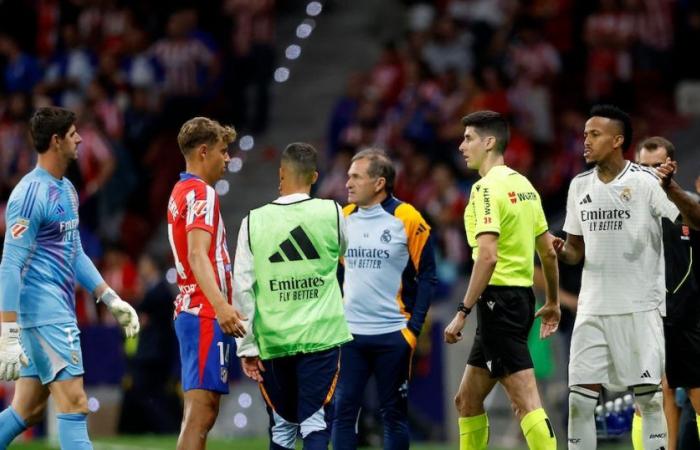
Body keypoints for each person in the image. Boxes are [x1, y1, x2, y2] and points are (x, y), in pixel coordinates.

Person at [555, 105, 700, 450]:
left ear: (617, 140)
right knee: (579, 402)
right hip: (592, 311)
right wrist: (561, 250)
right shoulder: (578, 186)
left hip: (640, 309)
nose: (585, 141)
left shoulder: (645, 182)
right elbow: (576, 251)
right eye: (585, 134)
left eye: (594, 134)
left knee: (650, 400)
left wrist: (672, 189)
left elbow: (694, 220)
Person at [0, 106, 139, 449]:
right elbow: (9, 266)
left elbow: (74, 254)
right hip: (45, 315)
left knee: (28, 409)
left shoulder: (67, 190)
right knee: (75, 403)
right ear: (56, 140)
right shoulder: (29, 194)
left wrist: (111, 298)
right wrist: (7, 334)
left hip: (53, 313)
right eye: (74, 133)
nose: (80, 139)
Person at [444, 110, 561, 450]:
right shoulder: (524, 186)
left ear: (489, 142)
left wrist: (463, 310)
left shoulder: (484, 189)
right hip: (520, 300)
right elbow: (549, 252)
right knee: (466, 400)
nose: (462, 145)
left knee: (524, 399)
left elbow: (488, 255)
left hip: (498, 302)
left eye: (468, 138)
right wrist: (551, 301)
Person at [234, 142, 352, 450]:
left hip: (273, 340)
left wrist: (246, 345)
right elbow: (346, 256)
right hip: (321, 335)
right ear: (314, 176)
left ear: (280, 173)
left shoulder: (252, 221)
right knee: (315, 423)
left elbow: (241, 287)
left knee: (283, 427)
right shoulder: (333, 212)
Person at [332, 148, 437, 450]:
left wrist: (413, 330)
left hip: (393, 334)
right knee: (343, 414)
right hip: (350, 335)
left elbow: (428, 276)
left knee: (393, 416)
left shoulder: (406, 217)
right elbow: (335, 271)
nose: (347, 182)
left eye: (355, 177)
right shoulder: (343, 218)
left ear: (379, 183)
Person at [166, 116, 247, 450]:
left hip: (194, 309)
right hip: (203, 312)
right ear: (203, 152)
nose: (227, 158)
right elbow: (199, 256)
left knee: (201, 412)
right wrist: (221, 305)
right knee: (201, 413)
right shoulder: (202, 193)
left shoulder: (181, 190)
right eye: (223, 151)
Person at [631, 137, 700, 450]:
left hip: (688, 313)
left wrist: (670, 188)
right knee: (655, 392)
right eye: (643, 167)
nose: (649, 173)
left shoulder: (685, 201)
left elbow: (696, 219)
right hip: (646, 315)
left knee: (695, 392)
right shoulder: (625, 208)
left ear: (672, 165)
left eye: (656, 166)